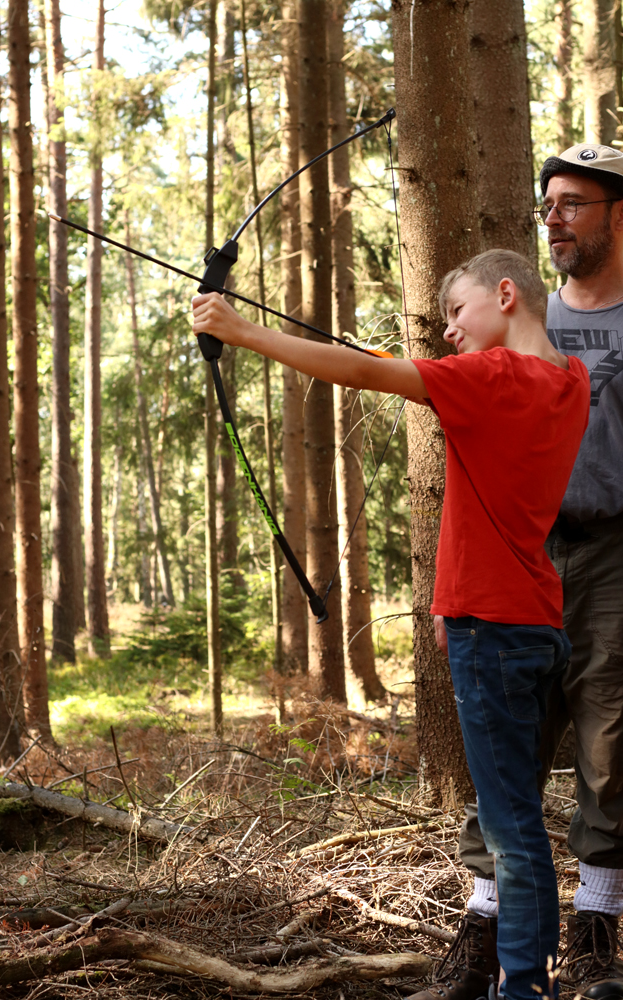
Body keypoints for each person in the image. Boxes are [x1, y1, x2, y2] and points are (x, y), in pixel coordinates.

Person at [192, 248, 590, 1000]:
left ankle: (523, 989)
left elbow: (368, 376)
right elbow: (417, 382)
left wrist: (242, 331)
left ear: (506, 293)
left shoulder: (488, 378)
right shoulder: (567, 383)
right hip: (530, 620)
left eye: (456, 312)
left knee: (510, 829)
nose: (447, 333)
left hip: (493, 629)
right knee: (517, 817)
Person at [426, 143, 623, 1000]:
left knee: (609, 734)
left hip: (614, 547)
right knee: (508, 747)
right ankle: (487, 923)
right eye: (548, 204)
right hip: (524, 553)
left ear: (618, 213)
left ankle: (596, 924)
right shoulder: (526, 322)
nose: (554, 219)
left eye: (574, 203)